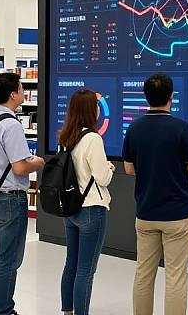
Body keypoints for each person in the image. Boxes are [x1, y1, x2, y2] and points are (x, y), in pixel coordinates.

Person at [122, 73, 188, 315]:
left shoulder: (134, 128)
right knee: (176, 277)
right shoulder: (181, 128)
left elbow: (128, 168)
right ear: (171, 97)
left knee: (143, 274)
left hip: (146, 212)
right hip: (177, 215)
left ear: (146, 97)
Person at [0, 72, 45, 315]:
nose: (22, 91)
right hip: (11, 197)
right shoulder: (11, 124)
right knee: (8, 259)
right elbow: (19, 167)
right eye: (20, 88)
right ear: (13, 94)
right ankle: (4, 310)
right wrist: (36, 163)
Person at [59, 89, 114, 315]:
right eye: (96, 105)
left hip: (71, 208)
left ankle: (67, 310)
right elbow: (102, 178)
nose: (99, 108)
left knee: (71, 263)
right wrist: (109, 168)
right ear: (90, 110)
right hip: (92, 209)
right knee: (86, 269)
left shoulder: (65, 137)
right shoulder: (92, 138)